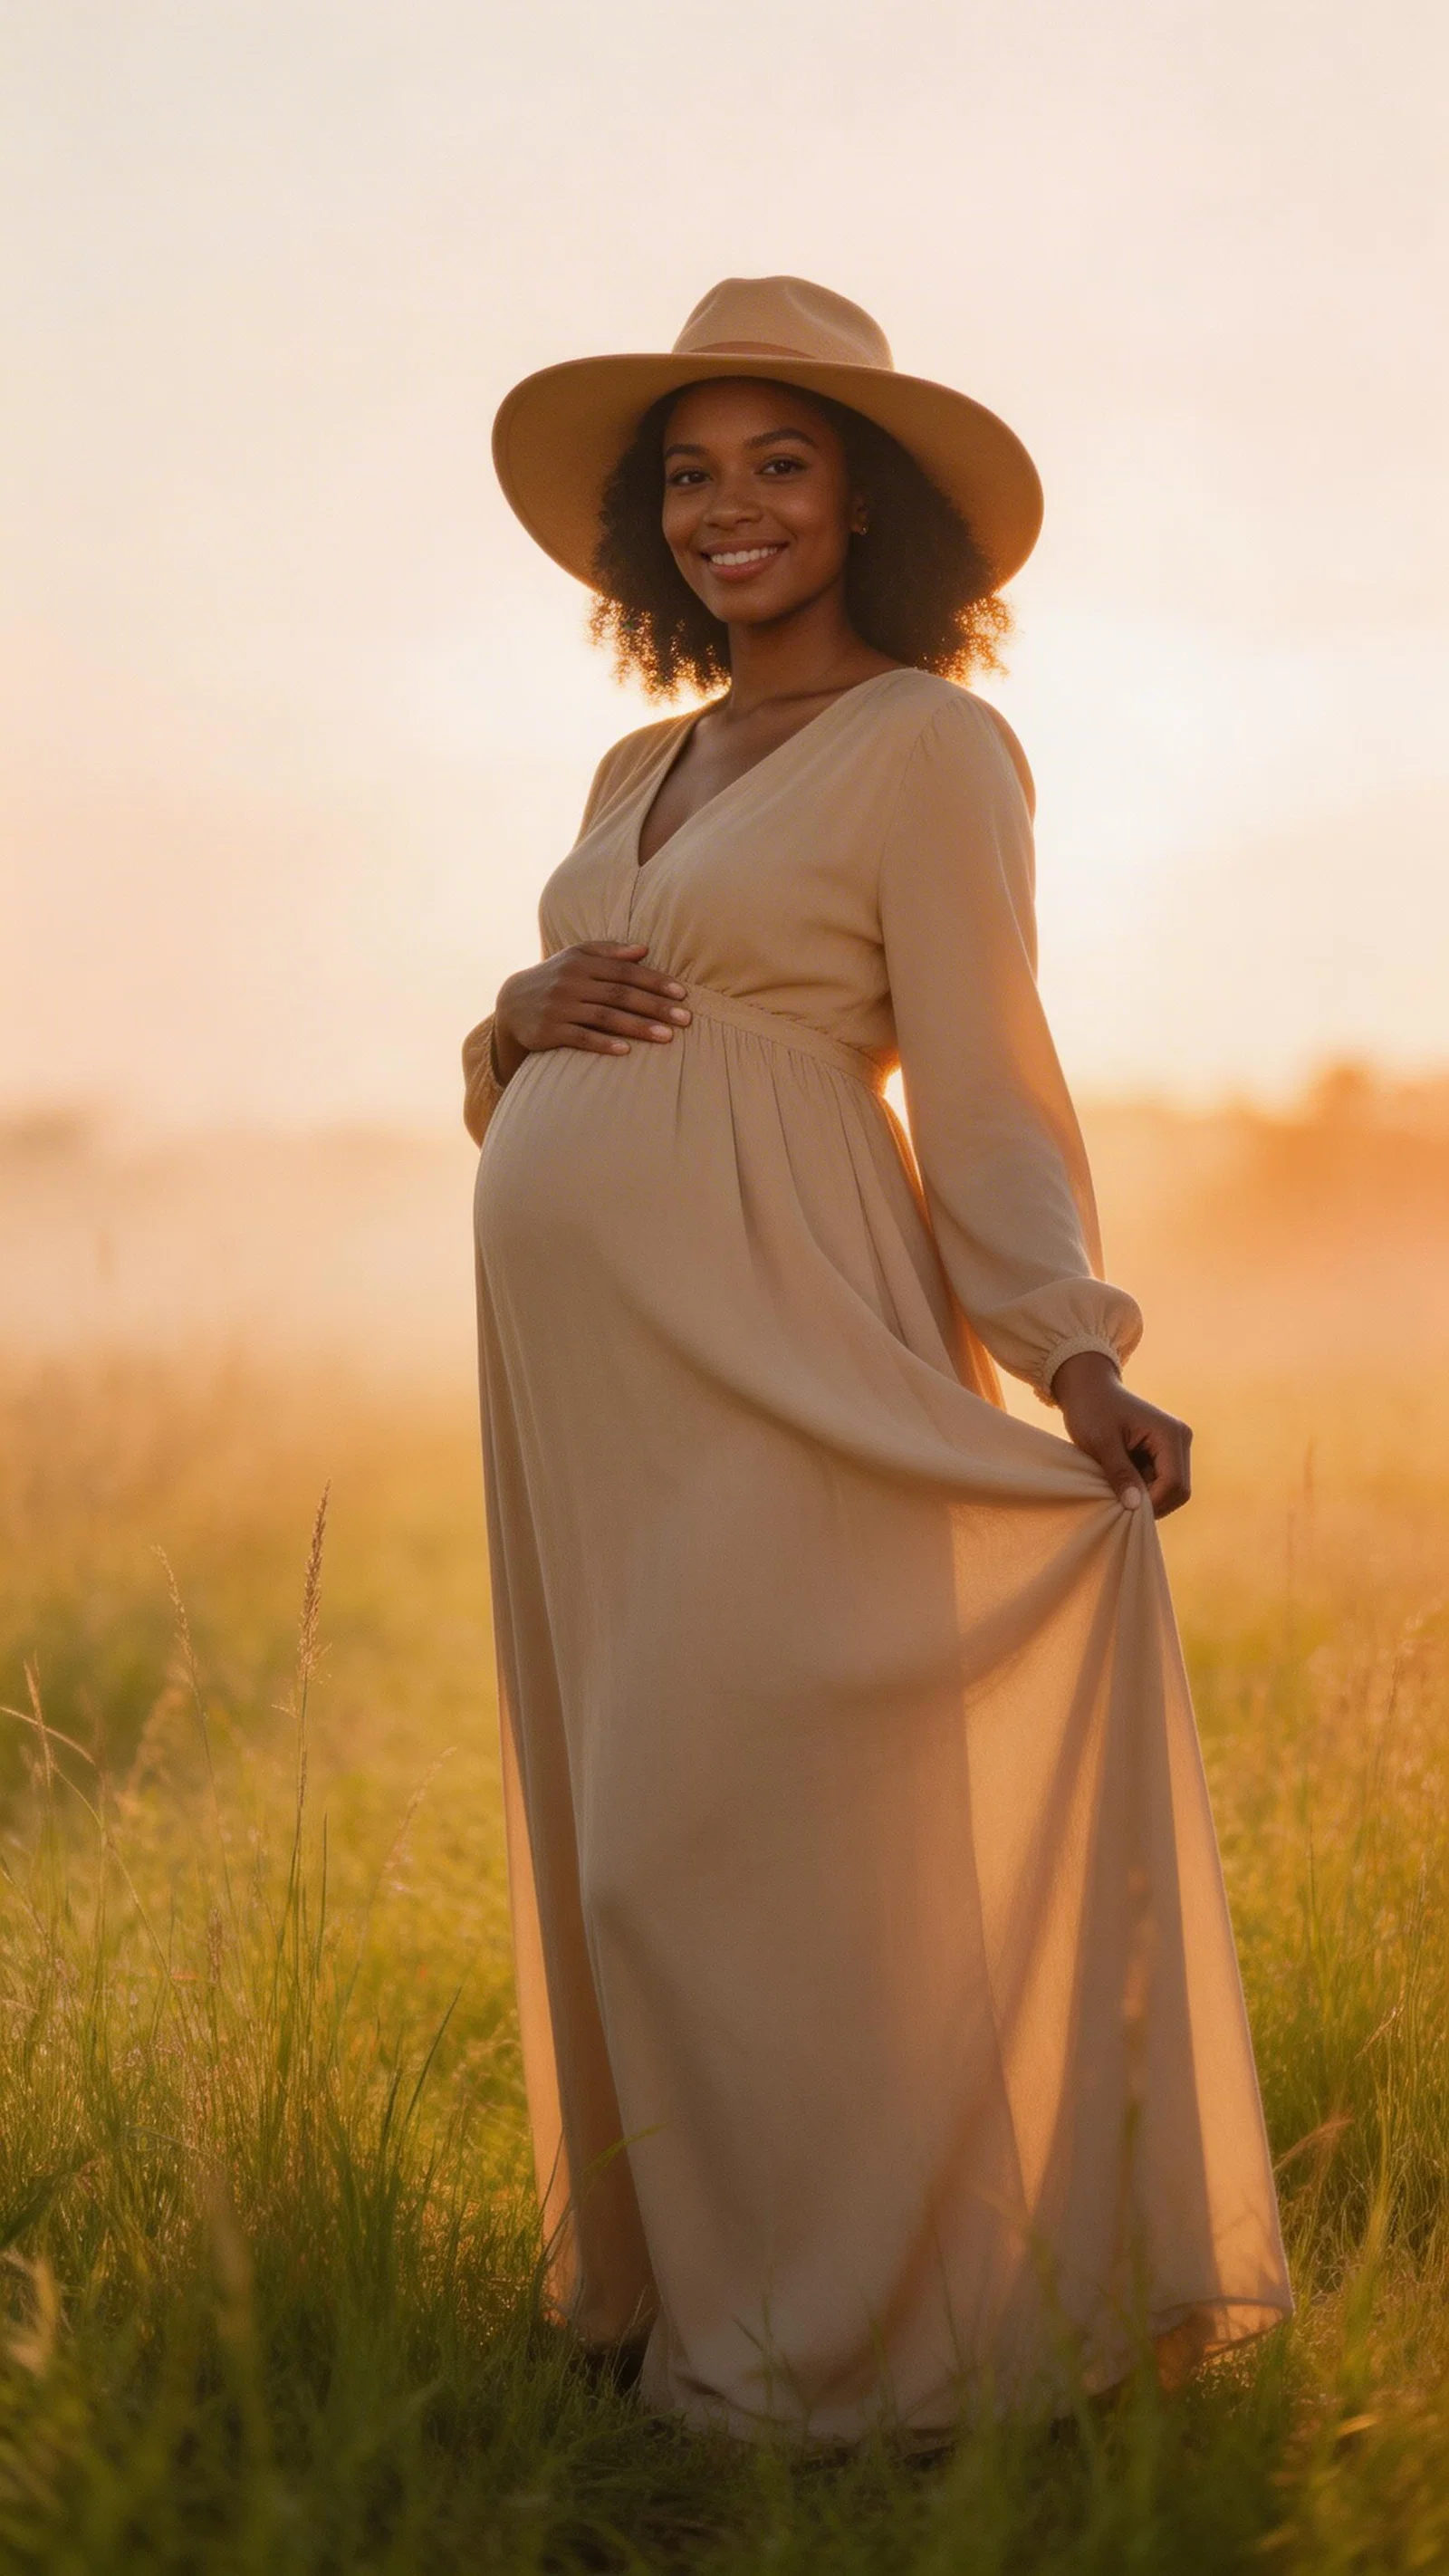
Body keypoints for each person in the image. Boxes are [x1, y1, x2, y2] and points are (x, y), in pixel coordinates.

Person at [462, 275, 1291, 2445]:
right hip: (588, 1382)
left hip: (777, 1327)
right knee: (627, 1828)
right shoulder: (639, 758)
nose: (728, 507)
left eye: (779, 463)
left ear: (863, 508)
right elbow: (549, 1048)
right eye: (690, 474)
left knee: (737, 1829)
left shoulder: (927, 742)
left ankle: (851, 2340)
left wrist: (1069, 1352)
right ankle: (697, 2289)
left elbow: (984, 1067)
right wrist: (506, 1020)